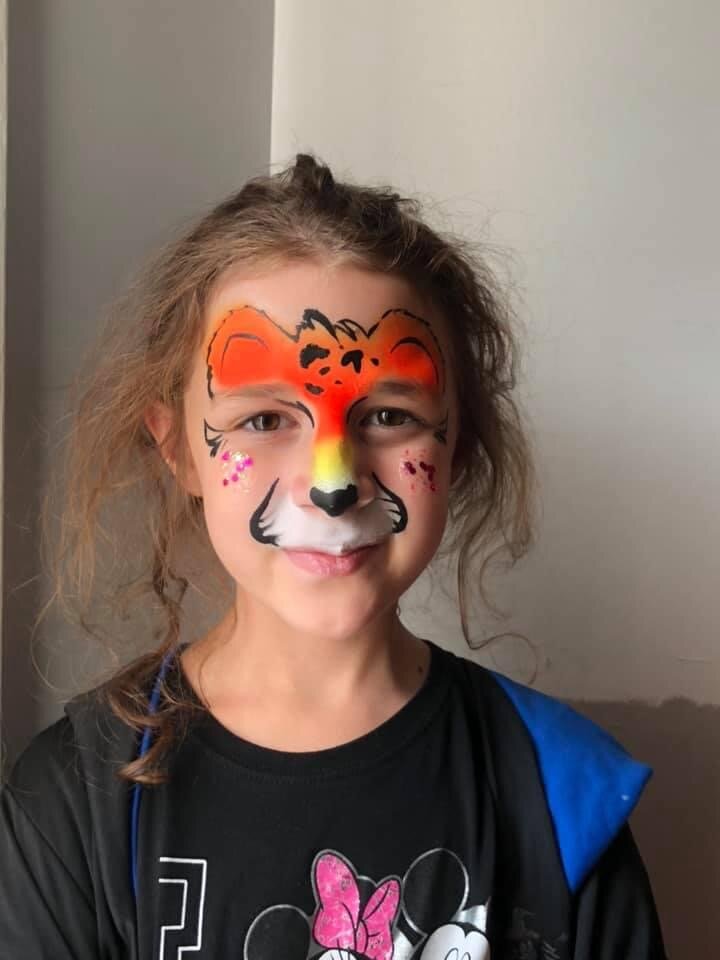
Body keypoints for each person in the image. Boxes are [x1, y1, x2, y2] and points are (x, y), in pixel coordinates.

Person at [0, 154, 666, 959]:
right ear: (179, 451)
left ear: (457, 445)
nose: (332, 483)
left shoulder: (562, 794)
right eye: (263, 419)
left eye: (388, 414)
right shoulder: (73, 801)